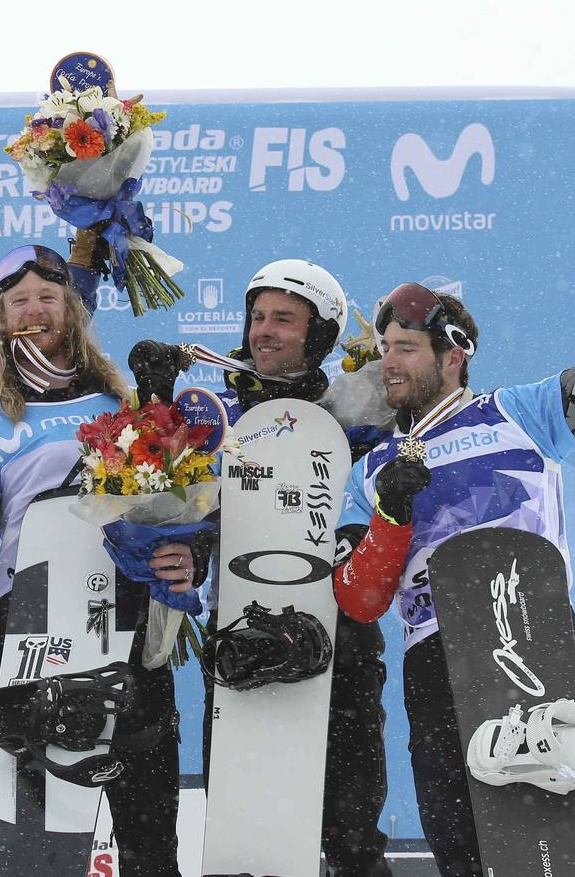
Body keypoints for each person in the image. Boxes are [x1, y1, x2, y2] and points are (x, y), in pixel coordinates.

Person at [333, 279, 575, 876]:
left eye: (406, 347)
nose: (389, 362)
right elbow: (359, 599)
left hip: (534, 636)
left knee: (559, 849)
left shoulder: (521, 413)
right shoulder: (372, 467)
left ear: (453, 356)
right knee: (462, 850)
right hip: (436, 658)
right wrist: (390, 515)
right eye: (386, 347)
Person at [0, 245, 193, 877]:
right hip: (36, 625)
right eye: (19, 301)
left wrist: (161, 406)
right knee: (39, 846)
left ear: (71, 309)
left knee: (150, 837)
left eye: (47, 297)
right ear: (1, 319)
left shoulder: (118, 404)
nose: (35, 310)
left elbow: (168, 509)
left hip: (125, 613)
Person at [133, 259, 393, 877]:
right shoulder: (214, 415)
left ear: (322, 335)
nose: (264, 331)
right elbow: (187, 511)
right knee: (244, 823)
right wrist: (154, 402)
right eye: (257, 317)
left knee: (352, 831)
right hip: (243, 631)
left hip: (344, 634)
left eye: (284, 318)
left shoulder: (356, 408)